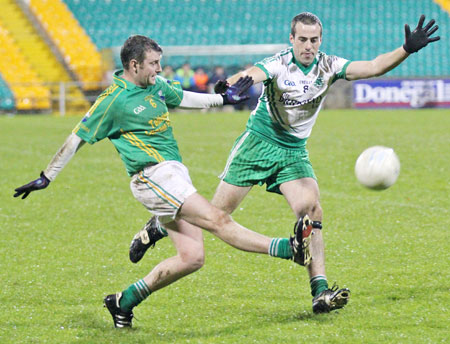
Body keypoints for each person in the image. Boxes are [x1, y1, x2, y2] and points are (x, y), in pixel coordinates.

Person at [129, 13, 440, 314]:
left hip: (294, 152)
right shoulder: (279, 63)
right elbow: (253, 73)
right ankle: (158, 225)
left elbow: (372, 66)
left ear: (321, 40)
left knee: (311, 209)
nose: (308, 46)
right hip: (258, 145)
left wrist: (406, 50)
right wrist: (235, 83)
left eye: (314, 40)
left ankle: (320, 292)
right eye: (302, 39)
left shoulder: (329, 65)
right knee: (218, 215)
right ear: (291, 39)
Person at [13, 35, 317, 329]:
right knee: (217, 219)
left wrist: (222, 98)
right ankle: (289, 249)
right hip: (151, 176)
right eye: (154, 63)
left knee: (192, 257)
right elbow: (77, 136)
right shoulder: (113, 100)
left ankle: (123, 301)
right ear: (134, 65)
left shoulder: (155, 85)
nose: (159, 69)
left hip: (173, 174)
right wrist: (46, 176)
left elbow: (184, 98)